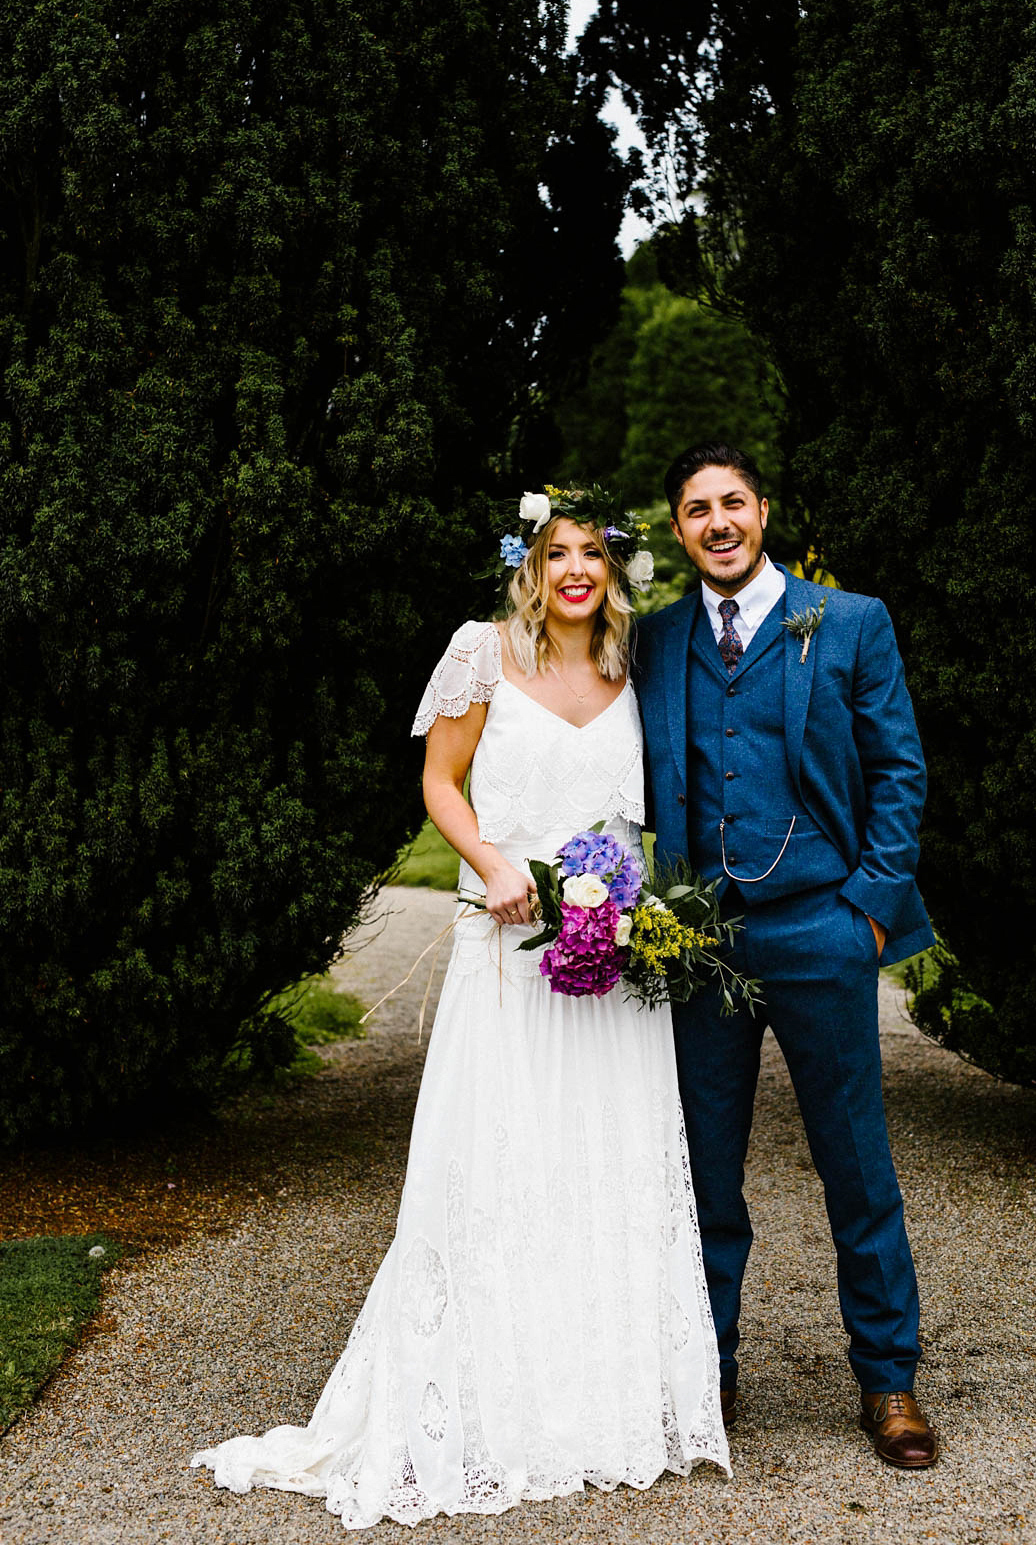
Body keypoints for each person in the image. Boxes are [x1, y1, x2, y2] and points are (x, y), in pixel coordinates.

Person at [191, 487, 729, 1528]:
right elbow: (440, 780)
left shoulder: (635, 669)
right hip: (508, 948)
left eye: (594, 554)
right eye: (556, 552)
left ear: (616, 572)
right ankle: (483, 1399)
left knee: (604, 1166)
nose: (576, 568)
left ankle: (597, 1401)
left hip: (615, 963)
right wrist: (488, 862)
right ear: (530, 565)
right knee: (500, 1161)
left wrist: (640, 913)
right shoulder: (482, 651)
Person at [633, 441, 940, 1470]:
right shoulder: (660, 638)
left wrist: (867, 909)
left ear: (763, 512)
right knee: (705, 1172)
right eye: (695, 509)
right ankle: (708, 1373)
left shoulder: (849, 622)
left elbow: (900, 769)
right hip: (702, 940)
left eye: (731, 502)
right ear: (678, 531)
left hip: (823, 924)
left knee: (855, 1163)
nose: (716, 522)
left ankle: (889, 1381)